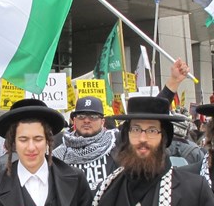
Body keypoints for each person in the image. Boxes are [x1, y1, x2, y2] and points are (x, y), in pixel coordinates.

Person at [53, 58, 191, 190]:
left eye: (93, 116)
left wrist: (173, 82)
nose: (87, 120)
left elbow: (147, 116)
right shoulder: (58, 147)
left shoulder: (116, 140)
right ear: (73, 120)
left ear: (103, 121)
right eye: (81, 116)